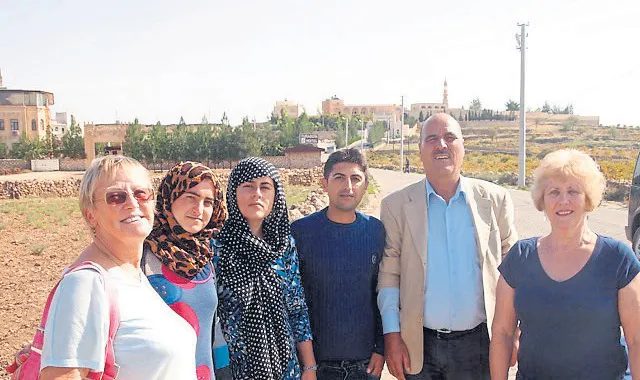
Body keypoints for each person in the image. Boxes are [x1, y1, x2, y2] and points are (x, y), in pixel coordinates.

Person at [377, 113, 518, 380]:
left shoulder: (495, 200)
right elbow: (389, 276)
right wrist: (392, 335)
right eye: (432, 139)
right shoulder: (396, 207)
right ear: (420, 150)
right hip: (419, 347)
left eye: (450, 137)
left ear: (463, 147)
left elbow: (515, 272)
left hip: (481, 345)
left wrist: (516, 330)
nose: (441, 144)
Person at [40, 155, 197, 380]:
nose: (133, 203)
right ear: (91, 215)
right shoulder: (85, 283)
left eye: (141, 193)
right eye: (116, 197)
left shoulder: (133, 275)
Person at [490, 149, 640, 380]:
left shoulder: (618, 259)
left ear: (588, 198)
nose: (563, 200)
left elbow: (636, 339)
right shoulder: (520, 257)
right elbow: (502, 333)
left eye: (573, 191)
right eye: (554, 192)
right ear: (542, 199)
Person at [213, 157, 317, 380]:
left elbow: (297, 308)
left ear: (275, 195)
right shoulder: (218, 246)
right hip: (234, 368)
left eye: (265, 187)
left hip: (285, 366)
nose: (256, 194)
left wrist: (309, 367)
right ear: (233, 193)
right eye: (248, 186)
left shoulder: (283, 244)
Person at [291, 148, 385, 380]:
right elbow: (294, 300)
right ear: (325, 183)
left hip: (365, 365)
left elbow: (383, 292)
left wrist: (380, 348)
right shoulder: (301, 232)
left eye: (356, 179)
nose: (348, 186)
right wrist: (307, 364)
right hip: (316, 365)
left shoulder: (375, 231)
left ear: (365, 185)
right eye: (339, 178)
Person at [143, 161, 228, 380]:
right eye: (190, 197)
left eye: (208, 202)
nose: (198, 210)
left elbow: (213, 330)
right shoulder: (143, 255)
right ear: (170, 196)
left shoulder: (206, 257)